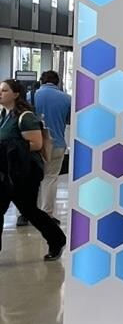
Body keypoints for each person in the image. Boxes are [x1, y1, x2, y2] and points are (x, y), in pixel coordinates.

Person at [0, 79, 66, 260]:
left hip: (24, 173)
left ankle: (57, 239)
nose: (0, 94)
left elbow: (36, 144)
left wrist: (6, 147)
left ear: (16, 94)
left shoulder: (25, 117)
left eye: (4, 90)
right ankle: (57, 239)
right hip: (6, 172)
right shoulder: (4, 115)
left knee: (30, 210)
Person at [33, 70, 71, 220]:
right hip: (57, 143)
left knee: (32, 178)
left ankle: (29, 212)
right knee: (50, 177)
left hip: (34, 145)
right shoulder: (67, 99)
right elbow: (70, 120)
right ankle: (46, 214)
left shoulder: (31, 96)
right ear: (58, 82)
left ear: (41, 81)